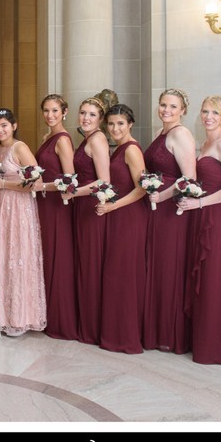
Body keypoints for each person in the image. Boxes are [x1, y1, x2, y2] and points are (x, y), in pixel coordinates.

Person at [178, 95, 221, 366]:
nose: (208, 116)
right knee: (203, 278)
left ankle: (218, 347)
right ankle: (202, 340)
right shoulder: (204, 142)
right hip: (200, 214)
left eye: (214, 112)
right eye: (205, 111)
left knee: (216, 278)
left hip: (219, 218)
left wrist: (199, 202)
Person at [142, 88, 196, 353]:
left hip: (171, 212)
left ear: (183, 110)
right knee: (158, 265)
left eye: (173, 106)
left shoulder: (181, 134)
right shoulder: (161, 133)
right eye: (163, 105)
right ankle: (155, 328)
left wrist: (161, 197)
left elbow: (188, 178)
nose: (166, 110)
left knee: (170, 267)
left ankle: (170, 333)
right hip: (156, 209)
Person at [0, 108, 46, 336]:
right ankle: (2, 314)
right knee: (2, 257)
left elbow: (37, 181)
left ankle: (21, 316)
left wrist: (3, 185)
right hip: (1, 208)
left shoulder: (19, 148)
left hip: (19, 209)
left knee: (18, 257)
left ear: (14, 125)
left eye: (4, 125)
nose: (0, 130)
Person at [95, 104, 148, 354]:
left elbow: (142, 188)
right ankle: (114, 332)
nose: (115, 128)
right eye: (111, 124)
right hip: (117, 215)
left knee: (123, 274)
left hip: (129, 216)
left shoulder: (132, 150)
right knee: (115, 273)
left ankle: (125, 337)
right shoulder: (118, 149)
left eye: (120, 124)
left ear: (130, 125)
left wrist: (113, 205)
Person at [63, 97, 110, 345]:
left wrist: (74, 192)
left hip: (92, 208)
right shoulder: (87, 139)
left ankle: (92, 328)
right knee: (83, 264)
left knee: (92, 265)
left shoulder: (99, 139)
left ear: (100, 119)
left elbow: (104, 181)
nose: (86, 118)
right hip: (82, 207)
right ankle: (85, 323)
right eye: (83, 113)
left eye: (92, 114)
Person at [34, 94, 79, 341]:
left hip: (57, 205)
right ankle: (46, 312)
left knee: (57, 256)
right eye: (46, 110)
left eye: (54, 111)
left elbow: (70, 182)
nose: (50, 115)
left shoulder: (62, 139)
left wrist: (41, 187)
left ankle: (61, 319)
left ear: (64, 112)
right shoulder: (47, 137)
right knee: (46, 255)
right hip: (44, 204)